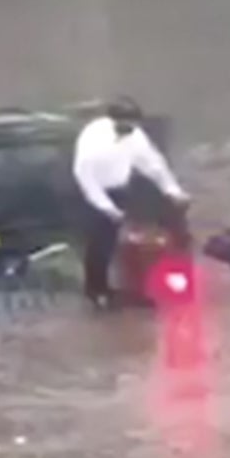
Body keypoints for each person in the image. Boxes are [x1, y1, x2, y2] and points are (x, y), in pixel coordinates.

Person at [72, 98, 190, 309]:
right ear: (113, 120)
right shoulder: (94, 140)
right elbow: (84, 177)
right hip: (94, 193)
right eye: (126, 123)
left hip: (121, 187)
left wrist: (173, 190)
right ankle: (96, 290)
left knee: (131, 235)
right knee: (100, 243)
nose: (131, 129)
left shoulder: (135, 137)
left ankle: (137, 283)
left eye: (134, 124)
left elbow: (153, 164)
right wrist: (107, 208)